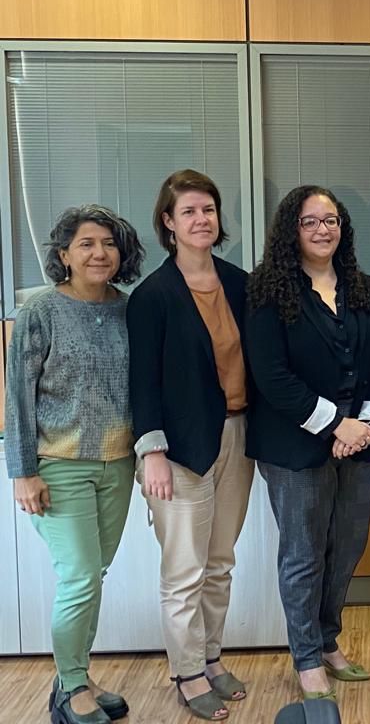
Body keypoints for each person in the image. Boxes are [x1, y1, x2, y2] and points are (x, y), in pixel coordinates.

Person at [245, 185, 370, 705]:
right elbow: (272, 375)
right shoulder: (268, 291)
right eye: (309, 221)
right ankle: (307, 658)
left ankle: (328, 639)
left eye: (330, 220)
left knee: (348, 546)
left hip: (361, 441)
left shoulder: (363, 287)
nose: (321, 230)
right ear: (292, 230)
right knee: (304, 553)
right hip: (295, 448)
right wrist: (337, 425)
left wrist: (367, 424)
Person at [6, 205, 143, 724]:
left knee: (94, 574)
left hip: (118, 464)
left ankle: (75, 677)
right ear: (63, 254)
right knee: (81, 577)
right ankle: (72, 689)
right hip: (58, 465)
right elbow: (17, 395)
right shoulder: (40, 312)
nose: (99, 253)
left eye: (108, 243)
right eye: (86, 243)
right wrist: (22, 471)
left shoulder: (129, 310)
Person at [128, 170, 253, 721]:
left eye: (208, 209)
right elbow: (142, 381)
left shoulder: (239, 282)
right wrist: (150, 450)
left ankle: (210, 657)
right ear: (168, 223)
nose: (201, 220)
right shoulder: (153, 295)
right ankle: (186, 671)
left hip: (238, 435)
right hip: (178, 450)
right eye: (188, 212)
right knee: (185, 570)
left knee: (220, 562)